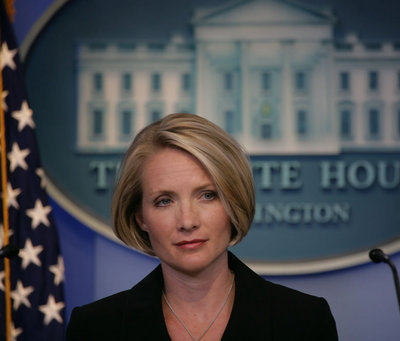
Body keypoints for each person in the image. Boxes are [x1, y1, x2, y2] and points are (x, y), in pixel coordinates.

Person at [66, 113, 339, 340]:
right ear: (141, 218)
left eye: (207, 195)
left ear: (233, 202)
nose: (187, 221)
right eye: (164, 201)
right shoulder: (94, 328)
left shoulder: (304, 321)